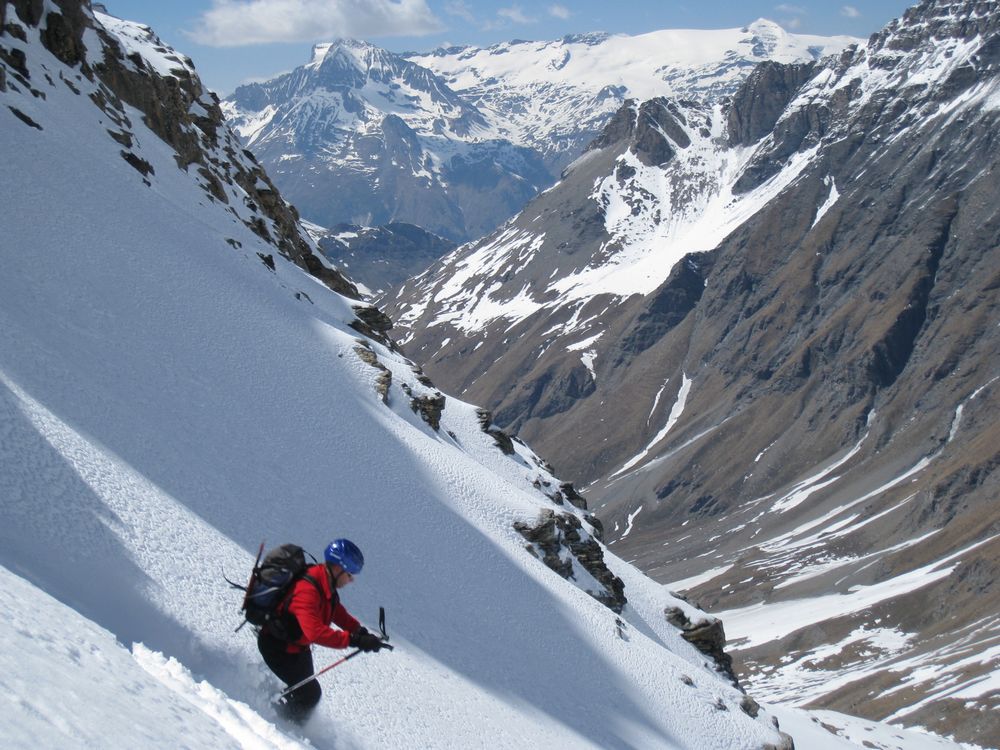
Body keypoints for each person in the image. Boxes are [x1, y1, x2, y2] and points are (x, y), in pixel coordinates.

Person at [258, 538, 385, 722]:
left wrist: (360, 632)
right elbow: (315, 632)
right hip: (277, 647)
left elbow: (336, 611)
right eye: (349, 574)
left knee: (304, 691)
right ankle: (277, 725)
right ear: (338, 568)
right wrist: (355, 640)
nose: (351, 580)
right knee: (310, 694)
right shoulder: (307, 589)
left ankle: (277, 712)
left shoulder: (324, 582)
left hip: (296, 648)